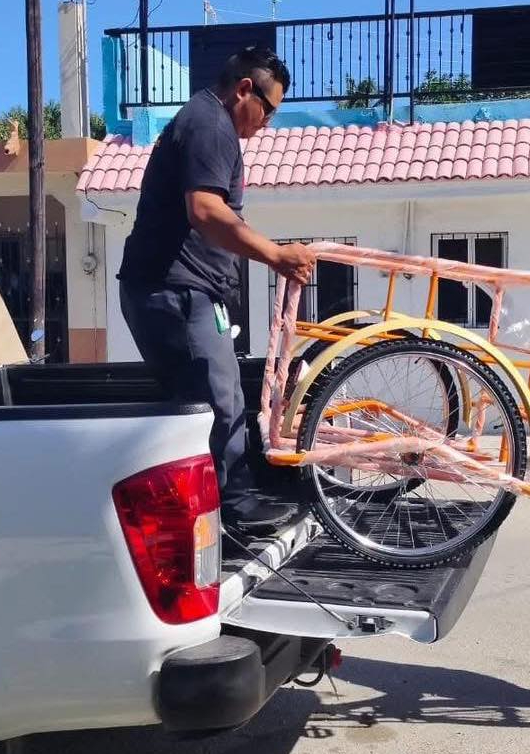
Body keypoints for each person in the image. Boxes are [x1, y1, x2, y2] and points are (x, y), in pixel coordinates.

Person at [118, 46, 316, 535]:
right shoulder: (210, 125)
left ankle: (211, 505)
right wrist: (276, 255)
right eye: (268, 108)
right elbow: (205, 211)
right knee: (218, 399)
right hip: (175, 292)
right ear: (244, 88)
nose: (268, 122)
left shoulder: (209, 123)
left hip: (186, 291)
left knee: (213, 395)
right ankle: (235, 508)